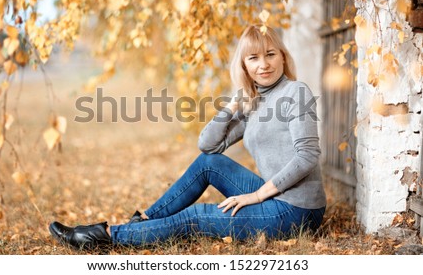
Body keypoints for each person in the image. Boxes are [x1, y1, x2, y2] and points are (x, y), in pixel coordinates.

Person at [49, 24, 326, 250]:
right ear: (243, 65)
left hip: (297, 211)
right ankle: (144, 221)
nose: (264, 65)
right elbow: (209, 145)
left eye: (270, 54)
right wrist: (232, 106)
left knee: (196, 218)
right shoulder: (254, 103)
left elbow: (307, 156)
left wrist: (256, 196)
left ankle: (107, 237)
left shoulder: (295, 92)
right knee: (209, 163)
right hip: (275, 199)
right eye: (253, 58)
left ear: (283, 56)